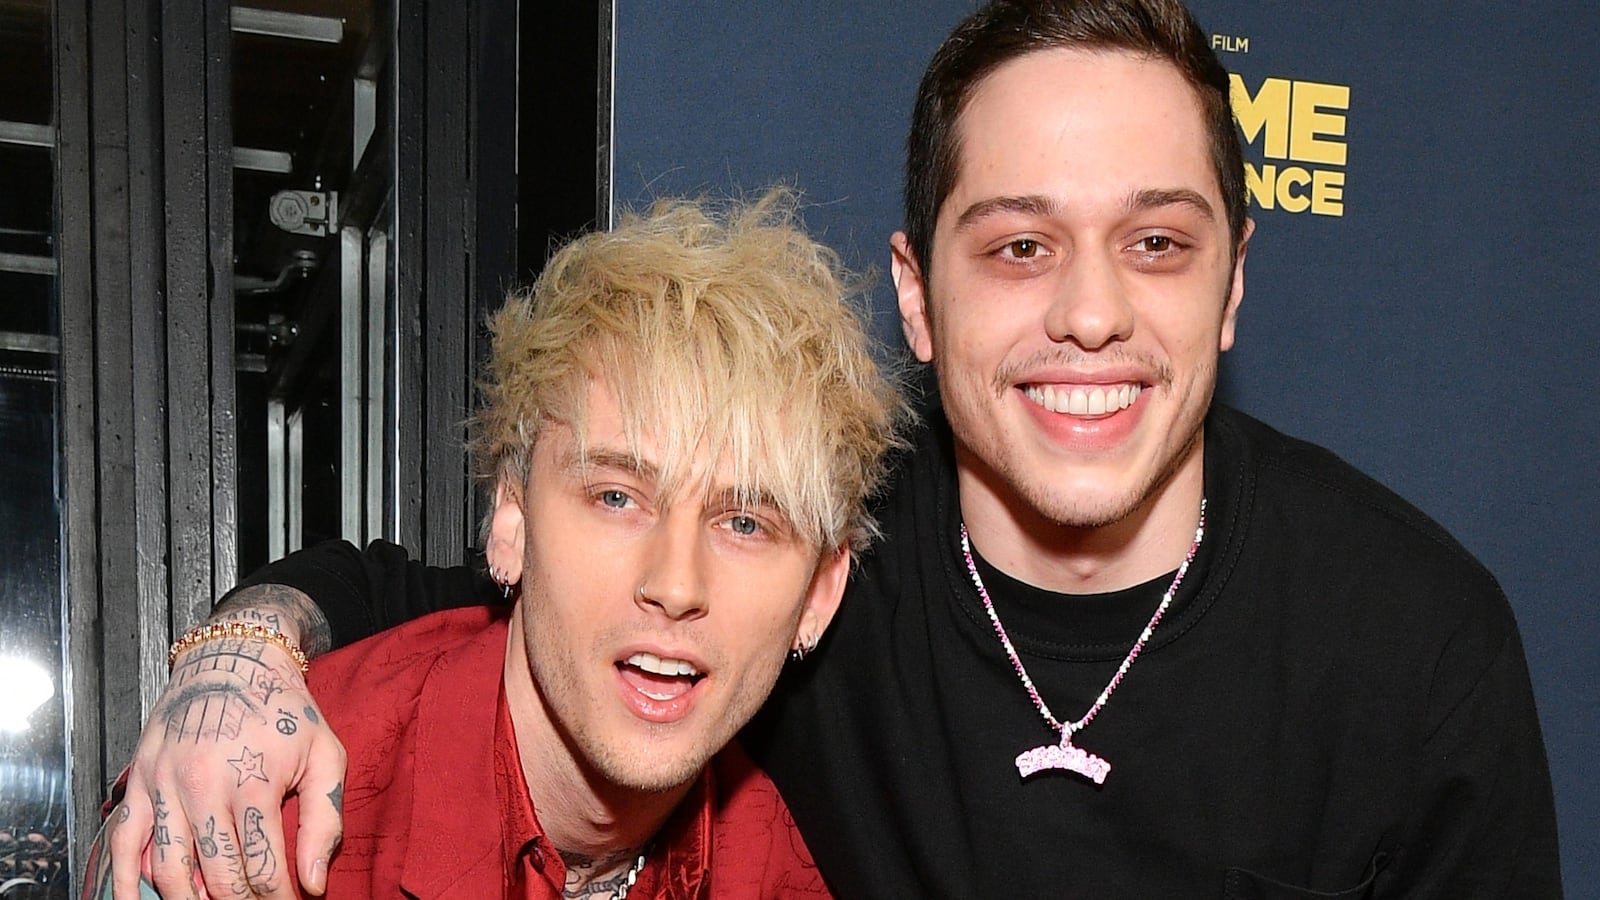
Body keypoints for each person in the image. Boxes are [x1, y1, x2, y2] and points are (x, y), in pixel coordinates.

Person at [107, 0, 1565, 896]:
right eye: (1018, 244)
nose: (1090, 313)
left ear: (1234, 283)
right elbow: (457, 609)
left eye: (1158, 243)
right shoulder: (804, 557)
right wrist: (238, 658)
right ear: (917, 296)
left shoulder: (1417, 640)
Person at [86, 190, 905, 899]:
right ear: (510, 518)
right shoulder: (257, 809)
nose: (676, 582)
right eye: (617, 497)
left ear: (820, 593)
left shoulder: (788, 866)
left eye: (746, 523)